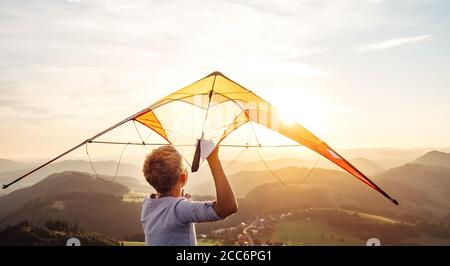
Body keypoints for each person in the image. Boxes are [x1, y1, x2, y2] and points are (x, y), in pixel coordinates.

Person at [141, 145, 238, 246]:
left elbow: (168, 211)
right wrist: (214, 160)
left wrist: (180, 202)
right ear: (183, 178)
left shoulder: (147, 203)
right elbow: (228, 207)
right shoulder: (179, 209)